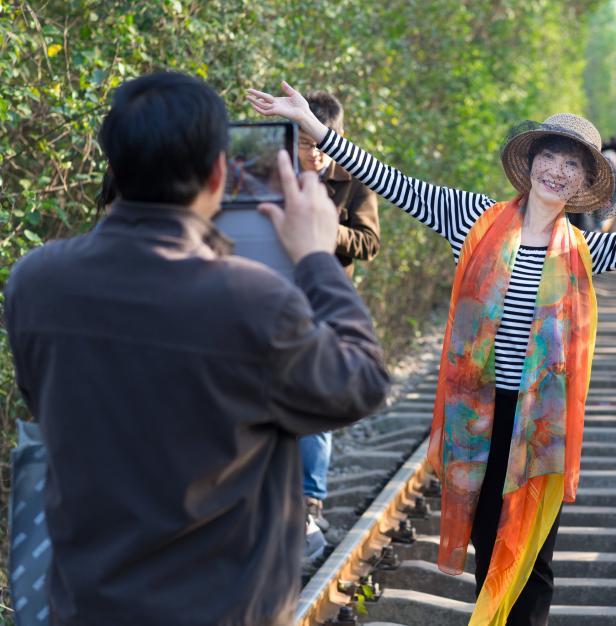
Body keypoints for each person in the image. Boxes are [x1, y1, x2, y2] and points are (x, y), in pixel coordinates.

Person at [247, 80, 616, 625]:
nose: (558, 170)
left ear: (583, 182)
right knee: (488, 541)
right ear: (532, 163)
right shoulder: (471, 220)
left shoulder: (585, 250)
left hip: (541, 425)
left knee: (535, 556)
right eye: (551, 156)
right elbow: (392, 181)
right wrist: (314, 128)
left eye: (572, 164)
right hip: (478, 416)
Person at [3, 72, 390, 626]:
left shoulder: (35, 282)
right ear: (218, 174)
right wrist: (314, 257)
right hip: (221, 606)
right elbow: (361, 384)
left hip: (85, 601)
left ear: (114, 166)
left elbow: (45, 400)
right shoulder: (254, 301)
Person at [296, 90, 381, 543]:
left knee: (317, 397)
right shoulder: (275, 172)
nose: (311, 154)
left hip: (328, 300)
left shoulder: (355, 178)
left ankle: (310, 498)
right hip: (276, 296)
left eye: (319, 144)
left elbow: (369, 242)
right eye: (303, 144)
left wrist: (326, 231)